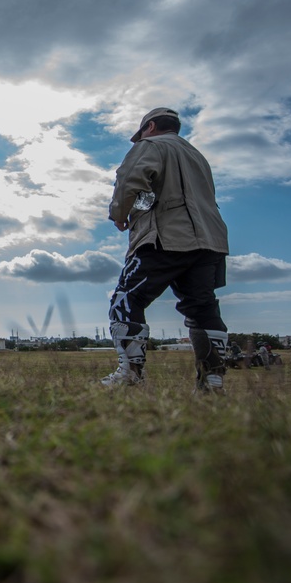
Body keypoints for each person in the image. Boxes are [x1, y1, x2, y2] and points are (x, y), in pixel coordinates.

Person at [102, 107, 230, 392]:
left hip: (165, 235)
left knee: (126, 299)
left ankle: (130, 374)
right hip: (209, 241)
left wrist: (119, 213)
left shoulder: (150, 145)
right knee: (202, 307)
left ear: (150, 126)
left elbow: (130, 179)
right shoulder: (198, 156)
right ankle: (212, 381)